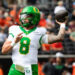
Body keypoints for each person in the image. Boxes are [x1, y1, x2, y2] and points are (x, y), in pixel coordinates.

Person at [2, 6, 67, 75]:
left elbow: (60, 37)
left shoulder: (40, 32)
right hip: (16, 69)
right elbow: (4, 51)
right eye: (23, 16)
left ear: (35, 18)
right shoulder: (14, 29)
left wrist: (62, 25)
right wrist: (14, 42)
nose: (24, 18)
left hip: (31, 70)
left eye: (27, 16)